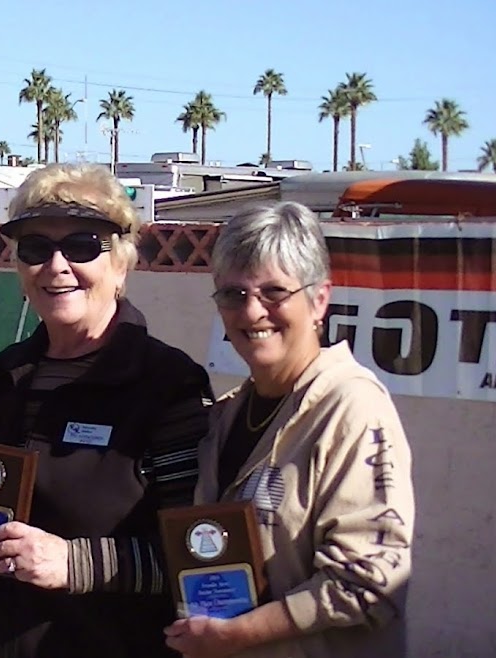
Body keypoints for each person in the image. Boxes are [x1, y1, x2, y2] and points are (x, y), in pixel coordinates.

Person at [0, 163, 214, 658]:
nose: (56, 266)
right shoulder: (6, 374)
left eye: (81, 246)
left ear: (120, 263)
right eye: (35, 248)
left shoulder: (167, 386)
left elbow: (200, 554)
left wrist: (75, 563)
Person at [164, 201, 415, 658]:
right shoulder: (228, 416)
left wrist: (234, 636)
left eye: (274, 292)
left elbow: (370, 581)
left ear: (319, 300)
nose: (253, 312)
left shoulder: (352, 409)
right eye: (233, 295)